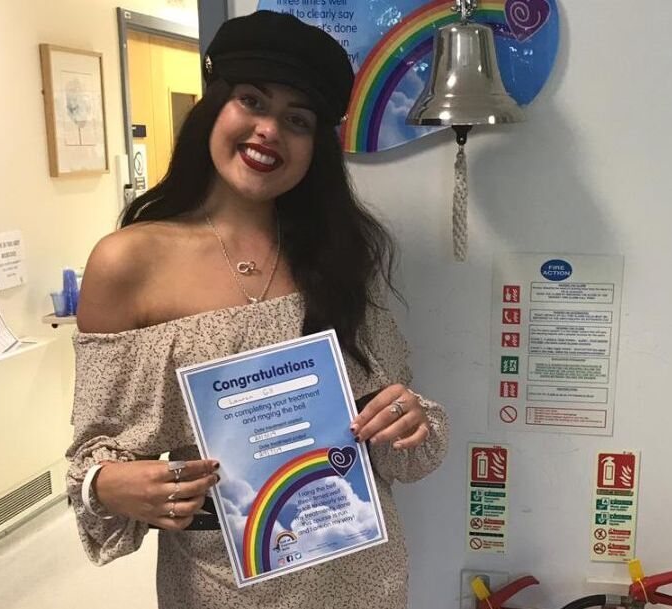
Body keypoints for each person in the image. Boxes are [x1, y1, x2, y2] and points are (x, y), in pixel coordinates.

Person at [65, 11, 449, 608]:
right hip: (219, 579)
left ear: (315, 146)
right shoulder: (128, 263)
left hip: (358, 569)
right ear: (214, 107)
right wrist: (109, 484)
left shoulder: (340, 253)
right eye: (252, 101)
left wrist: (407, 417)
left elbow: (388, 405)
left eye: (297, 120)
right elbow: (95, 456)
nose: (269, 130)